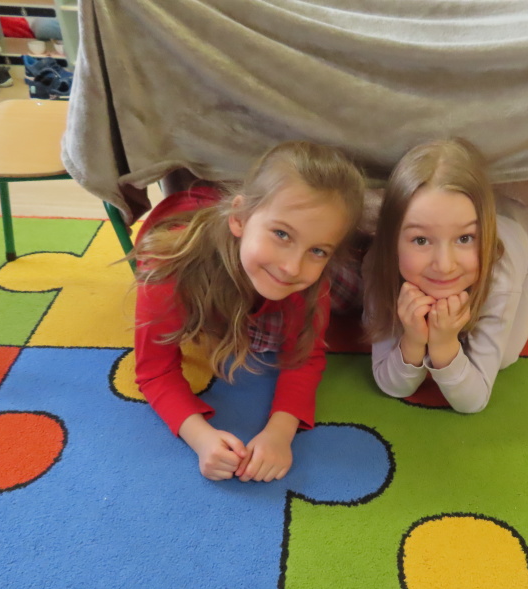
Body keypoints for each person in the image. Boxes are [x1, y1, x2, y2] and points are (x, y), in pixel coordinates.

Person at [133, 141, 365, 482]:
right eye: (282, 234)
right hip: (188, 232)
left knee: (352, 296)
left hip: (238, 238)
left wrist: (279, 434)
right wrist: (200, 438)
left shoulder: (308, 279)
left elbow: (305, 355)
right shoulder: (167, 272)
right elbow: (154, 370)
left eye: (318, 250)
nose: (292, 266)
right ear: (239, 219)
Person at [363, 138, 528, 413]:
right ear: (392, 241)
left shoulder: (500, 278)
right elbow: (392, 385)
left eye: (465, 238)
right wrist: (413, 340)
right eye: (421, 240)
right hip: (474, 214)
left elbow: (473, 401)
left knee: (505, 358)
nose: (445, 265)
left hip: (523, 240)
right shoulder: (378, 264)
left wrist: (444, 345)